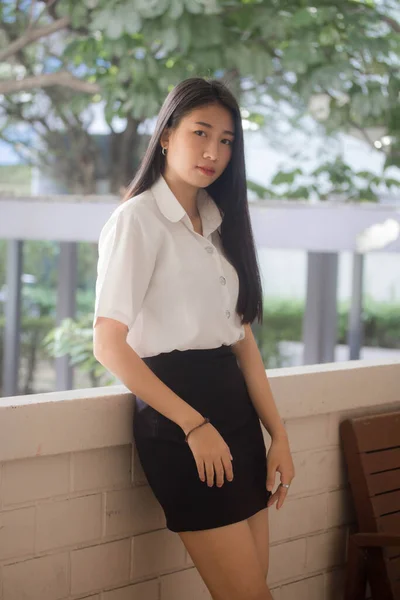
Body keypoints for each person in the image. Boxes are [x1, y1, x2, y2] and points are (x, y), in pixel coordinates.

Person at [93, 77, 295, 600]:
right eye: (200, 132)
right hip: (181, 420)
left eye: (227, 140)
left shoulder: (219, 224)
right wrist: (193, 424)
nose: (213, 151)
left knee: (254, 589)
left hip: (237, 418)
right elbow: (109, 344)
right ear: (165, 135)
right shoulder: (135, 221)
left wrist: (280, 436)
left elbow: (243, 343)